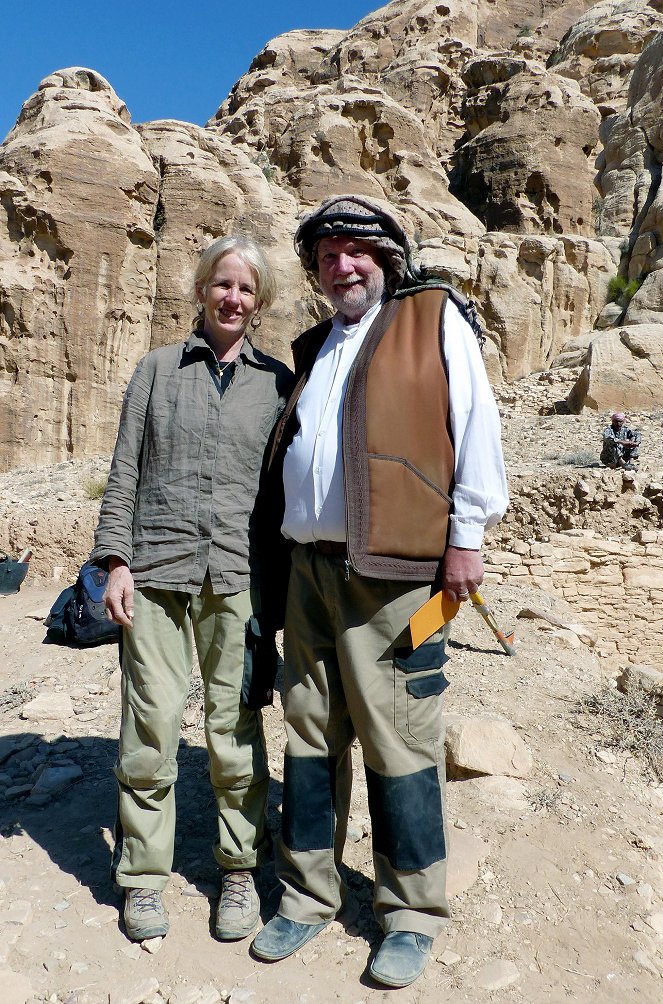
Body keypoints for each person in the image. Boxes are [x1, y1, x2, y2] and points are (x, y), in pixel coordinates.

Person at [251, 195, 508, 988]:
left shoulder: (431, 316)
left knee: (401, 742)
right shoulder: (313, 344)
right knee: (309, 737)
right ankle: (305, 893)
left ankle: (409, 911)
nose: (341, 265)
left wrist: (465, 538)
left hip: (396, 577)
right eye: (326, 254)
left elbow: (476, 427)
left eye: (356, 250)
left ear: (386, 257)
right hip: (312, 574)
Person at [90, 236, 293, 944]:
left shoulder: (276, 383)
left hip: (238, 581)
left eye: (246, 290)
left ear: (259, 303)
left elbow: (283, 495)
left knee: (234, 734)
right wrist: (115, 561)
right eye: (222, 285)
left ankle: (238, 870)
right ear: (202, 290)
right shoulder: (155, 370)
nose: (233, 299)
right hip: (156, 575)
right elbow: (124, 472)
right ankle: (142, 880)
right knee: (148, 732)